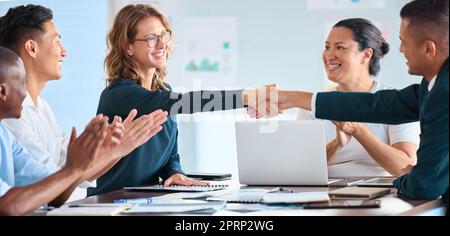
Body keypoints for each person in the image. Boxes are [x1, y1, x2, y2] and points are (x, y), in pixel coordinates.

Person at [268, 0, 448, 201]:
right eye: (327, 47)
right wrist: (293, 99)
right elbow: (375, 105)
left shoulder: (443, 92)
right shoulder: (430, 87)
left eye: (404, 42)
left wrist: (403, 179)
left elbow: (423, 183)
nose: (400, 50)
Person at [89, 4, 268, 196]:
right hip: (111, 202)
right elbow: (188, 101)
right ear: (128, 47)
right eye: (151, 39)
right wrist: (245, 97)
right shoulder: (118, 94)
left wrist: (175, 172)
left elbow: (170, 155)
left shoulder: (164, 91)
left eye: (163, 35)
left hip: (149, 201)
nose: (161, 44)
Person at [0, 4, 169, 200]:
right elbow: (55, 180)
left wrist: (117, 149)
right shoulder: (12, 117)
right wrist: (119, 149)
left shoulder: (42, 108)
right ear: (32, 48)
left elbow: (73, 168)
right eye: (57, 42)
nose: (64, 52)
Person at [0, 46, 116, 215]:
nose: (26, 93)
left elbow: (55, 193)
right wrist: (73, 169)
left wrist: (81, 163)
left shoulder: (5, 135)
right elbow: (8, 207)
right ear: (3, 91)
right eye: (21, 83)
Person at [297, 18, 420, 177]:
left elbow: (405, 168)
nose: (329, 55)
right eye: (327, 47)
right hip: (325, 192)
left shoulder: (396, 102)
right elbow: (300, 169)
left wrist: (358, 131)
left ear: (366, 55)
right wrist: (336, 145)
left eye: (340, 47)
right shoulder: (313, 105)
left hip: (382, 193)